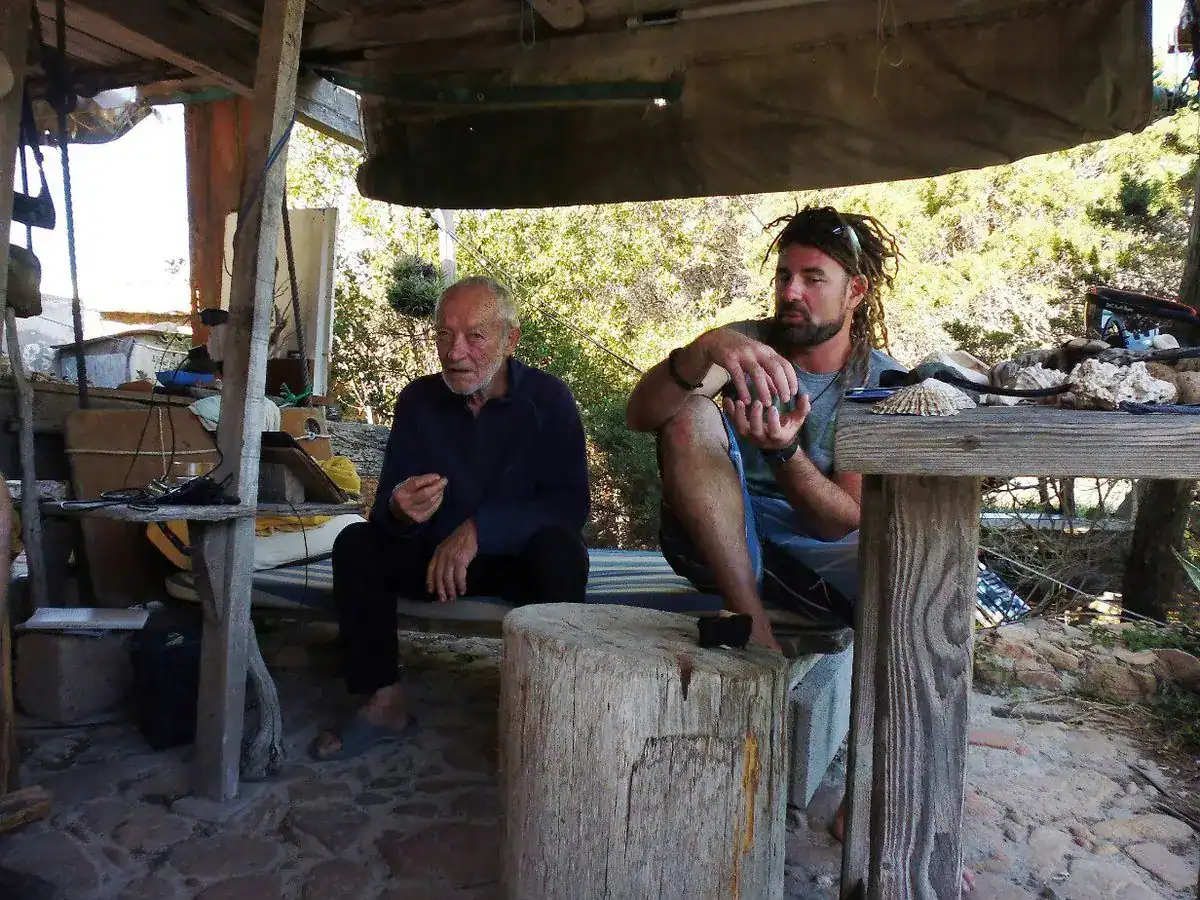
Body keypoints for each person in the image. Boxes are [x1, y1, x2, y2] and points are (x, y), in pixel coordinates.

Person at [312, 276, 590, 760]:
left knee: (563, 554)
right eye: (444, 334)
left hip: (511, 563)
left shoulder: (548, 400)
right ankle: (384, 702)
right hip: (432, 562)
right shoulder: (418, 400)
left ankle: (550, 713)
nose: (455, 352)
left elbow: (570, 506)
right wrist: (399, 510)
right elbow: (386, 516)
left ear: (510, 339)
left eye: (474, 336)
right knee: (356, 544)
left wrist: (481, 530)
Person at [625, 204, 905, 651]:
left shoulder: (880, 382)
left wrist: (783, 453)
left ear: (855, 291)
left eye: (813, 279)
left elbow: (841, 522)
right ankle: (752, 624)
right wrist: (702, 349)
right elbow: (640, 416)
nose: (791, 292)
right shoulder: (743, 345)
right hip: (710, 540)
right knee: (689, 411)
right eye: (784, 276)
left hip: (813, 552)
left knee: (894, 563)